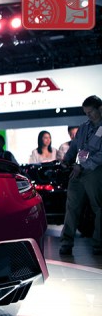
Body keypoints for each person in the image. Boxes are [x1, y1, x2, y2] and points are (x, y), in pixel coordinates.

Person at [59, 95, 102, 256]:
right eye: (86, 113)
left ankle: (98, 244)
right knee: (71, 207)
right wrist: (67, 159)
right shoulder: (84, 127)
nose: (88, 116)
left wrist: (82, 166)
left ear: (100, 109)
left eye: (91, 112)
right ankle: (66, 242)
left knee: (98, 208)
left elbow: (100, 155)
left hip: (95, 172)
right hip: (77, 171)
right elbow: (75, 147)